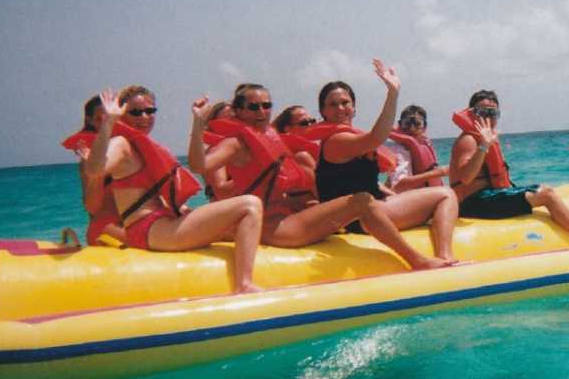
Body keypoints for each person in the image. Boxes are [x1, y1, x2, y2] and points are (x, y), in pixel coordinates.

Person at [191, 83, 447, 269]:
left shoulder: (266, 138)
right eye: (253, 106)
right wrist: (197, 125)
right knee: (361, 201)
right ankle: (416, 259)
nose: (261, 111)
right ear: (239, 112)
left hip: (285, 217)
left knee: (344, 202)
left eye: (267, 105)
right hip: (275, 227)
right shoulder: (236, 143)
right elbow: (198, 165)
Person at [85, 86, 265, 293]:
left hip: (164, 223)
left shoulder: (143, 145)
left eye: (150, 111)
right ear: (122, 114)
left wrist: (198, 122)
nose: (145, 117)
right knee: (250, 204)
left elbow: (160, 195)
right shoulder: (121, 144)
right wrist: (109, 123)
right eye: (135, 112)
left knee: (235, 227)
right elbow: (94, 169)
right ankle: (244, 284)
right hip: (148, 230)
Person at [311, 60, 459, 267]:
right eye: (332, 104)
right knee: (446, 195)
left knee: (439, 196)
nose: (340, 108)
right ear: (323, 112)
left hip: (370, 210)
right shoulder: (337, 140)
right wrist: (393, 93)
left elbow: (369, 183)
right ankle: (445, 256)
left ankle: (443, 256)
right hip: (359, 218)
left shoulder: (351, 139)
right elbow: (375, 138)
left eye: (345, 102)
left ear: (354, 108)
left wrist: (399, 198)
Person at [449, 89, 569, 247]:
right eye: (482, 112)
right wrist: (483, 145)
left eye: (493, 113)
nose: (488, 117)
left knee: (543, 191)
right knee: (547, 194)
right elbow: (466, 178)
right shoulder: (468, 140)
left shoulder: (487, 138)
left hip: (488, 198)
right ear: (472, 114)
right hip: (473, 205)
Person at [61, 95, 125, 245]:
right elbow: (93, 208)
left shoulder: (129, 148)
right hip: (107, 228)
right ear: (89, 120)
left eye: (114, 118)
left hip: (135, 222)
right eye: (100, 119)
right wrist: (97, 172)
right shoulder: (88, 160)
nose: (109, 124)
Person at [383, 105, 448, 191]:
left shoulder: (424, 144)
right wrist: (440, 172)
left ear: (424, 127)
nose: (412, 128)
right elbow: (398, 185)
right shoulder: (400, 151)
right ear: (400, 125)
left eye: (417, 124)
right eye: (407, 124)